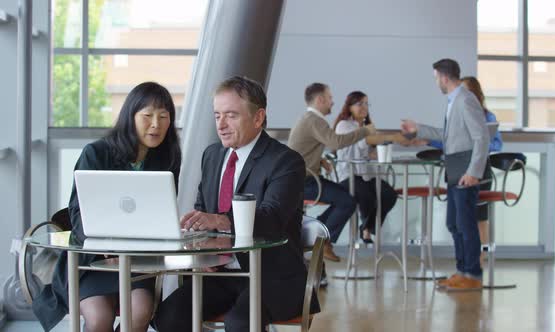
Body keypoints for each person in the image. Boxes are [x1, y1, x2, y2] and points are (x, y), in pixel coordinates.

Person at [154, 76, 319, 332]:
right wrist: (202, 249)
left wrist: (220, 219)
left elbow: (272, 219)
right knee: (169, 316)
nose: (221, 124)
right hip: (219, 274)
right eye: (217, 115)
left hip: (271, 276)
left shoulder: (286, 161)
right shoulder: (212, 155)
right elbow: (203, 210)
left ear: (258, 117)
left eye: (231, 115)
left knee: (240, 323)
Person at [33, 82, 182, 332]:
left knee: (140, 313)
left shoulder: (167, 157)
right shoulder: (96, 153)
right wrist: (105, 246)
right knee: (99, 318)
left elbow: (161, 213)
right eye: (147, 116)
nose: (156, 124)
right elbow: (77, 213)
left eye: (164, 117)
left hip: (138, 262)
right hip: (93, 260)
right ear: (130, 117)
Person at [401, 59, 490, 291]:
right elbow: (447, 135)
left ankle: (472, 274)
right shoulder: (454, 101)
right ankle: (462, 271)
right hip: (454, 170)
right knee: (454, 223)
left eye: (435, 78)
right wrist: (417, 128)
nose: (436, 83)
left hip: (465, 172)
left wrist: (474, 172)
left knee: (465, 223)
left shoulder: (465, 99)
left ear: (443, 77)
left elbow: (482, 138)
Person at [415, 76, 503, 267]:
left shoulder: (487, 117)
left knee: (479, 217)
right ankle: (465, 263)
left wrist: (477, 147)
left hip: (478, 169)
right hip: (457, 169)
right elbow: (450, 140)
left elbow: (496, 143)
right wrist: (429, 140)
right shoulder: (455, 113)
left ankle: (477, 263)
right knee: (458, 221)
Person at [287, 83, 377, 262]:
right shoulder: (314, 120)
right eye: (330, 98)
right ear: (320, 100)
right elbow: (336, 142)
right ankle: (322, 240)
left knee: (347, 197)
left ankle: (318, 234)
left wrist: (319, 160)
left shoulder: (308, 119)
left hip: (304, 179)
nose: (333, 102)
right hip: (305, 182)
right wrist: (364, 131)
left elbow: (303, 147)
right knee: (347, 201)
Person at [334, 91, 401, 244]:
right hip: (348, 175)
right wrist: (393, 137)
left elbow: (368, 151)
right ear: (349, 106)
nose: (364, 107)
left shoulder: (366, 126)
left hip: (366, 175)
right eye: (359, 104)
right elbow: (363, 140)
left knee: (389, 194)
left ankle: (367, 227)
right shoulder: (343, 125)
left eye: (366, 104)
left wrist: (377, 152)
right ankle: (365, 231)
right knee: (367, 197)